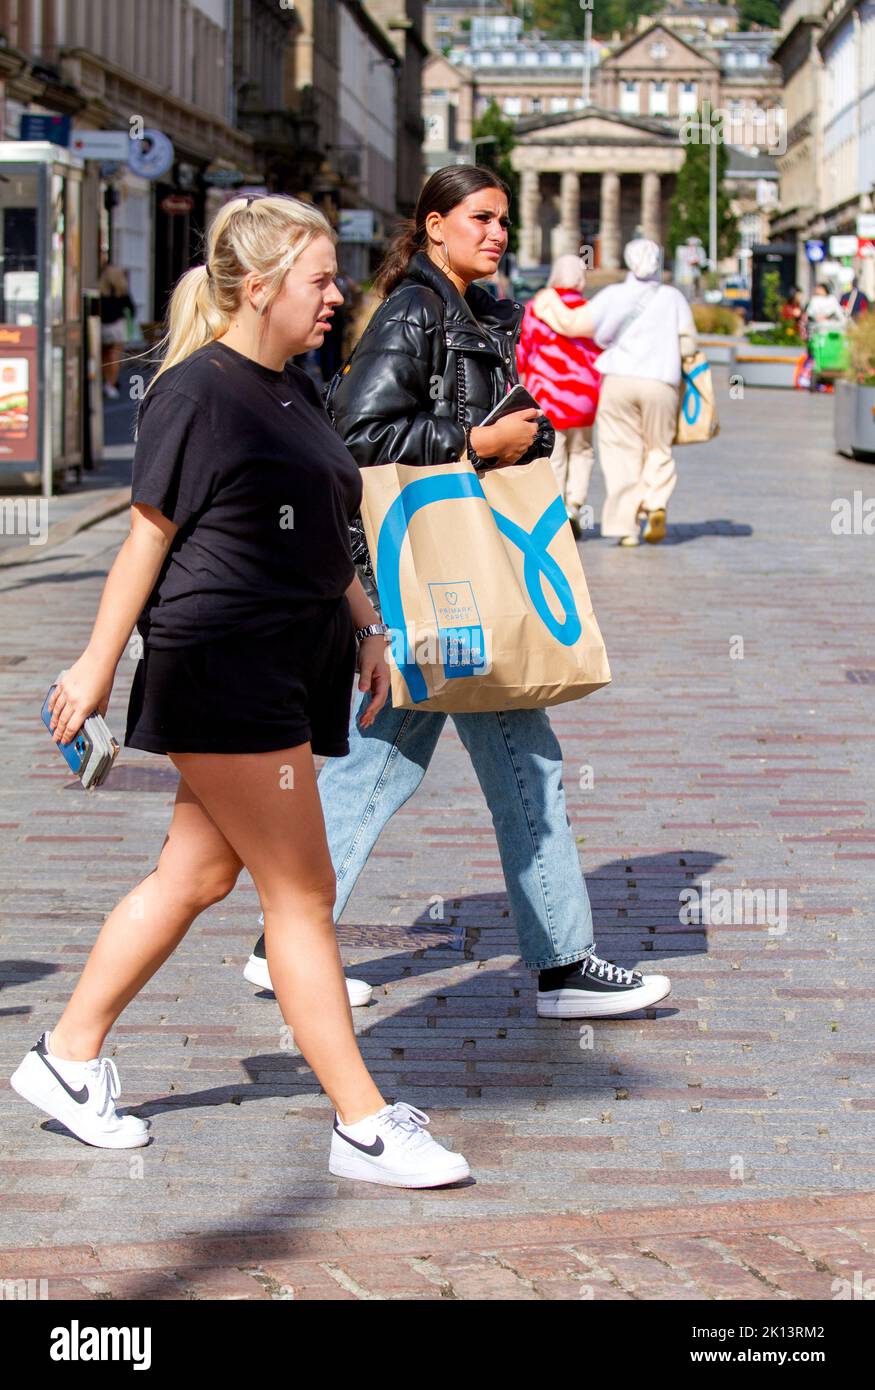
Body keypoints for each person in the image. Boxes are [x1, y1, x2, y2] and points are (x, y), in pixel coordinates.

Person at [10, 194, 471, 1190]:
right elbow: (148, 534)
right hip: (221, 664)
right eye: (318, 279)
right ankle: (361, 1121)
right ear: (255, 288)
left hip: (285, 661)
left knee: (196, 874)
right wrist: (95, 667)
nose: (336, 295)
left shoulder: (290, 384)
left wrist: (364, 626)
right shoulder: (195, 392)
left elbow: (318, 521)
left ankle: (67, 1056)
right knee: (300, 896)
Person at [244, 165, 672, 1021]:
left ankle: (279, 949)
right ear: (433, 225)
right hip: (433, 585)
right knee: (507, 759)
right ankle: (560, 967)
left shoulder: (470, 308)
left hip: (446, 584)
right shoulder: (415, 309)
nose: (496, 233)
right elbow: (356, 436)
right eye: (478, 218)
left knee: (384, 766)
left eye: (503, 220)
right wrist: (477, 440)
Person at [532, 237, 696, 548]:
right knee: (658, 447)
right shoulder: (673, 298)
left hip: (619, 379)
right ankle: (656, 504)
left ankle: (626, 528)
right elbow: (688, 343)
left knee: (621, 451)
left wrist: (548, 301)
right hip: (662, 381)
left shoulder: (614, 294)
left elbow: (573, 324)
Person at [518, 253, 602, 538]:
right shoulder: (590, 310)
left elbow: (522, 351)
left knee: (553, 452)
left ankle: (554, 510)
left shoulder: (535, 308)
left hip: (548, 393)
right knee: (582, 451)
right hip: (585, 395)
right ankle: (574, 506)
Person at [99, 264, 135, 400]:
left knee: (104, 356)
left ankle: (105, 381)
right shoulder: (122, 293)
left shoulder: (102, 293)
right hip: (118, 326)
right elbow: (132, 310)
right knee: (115, 357)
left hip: (103, 326)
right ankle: (111, 384)